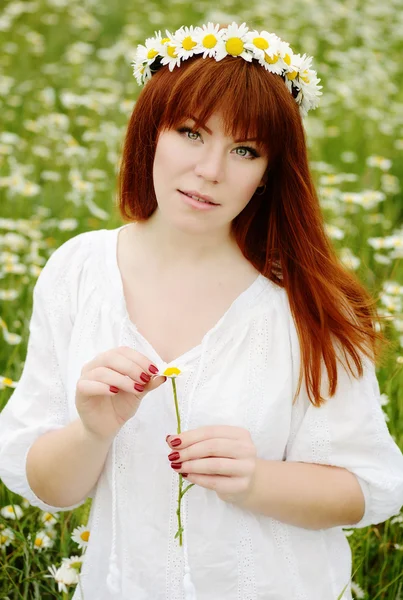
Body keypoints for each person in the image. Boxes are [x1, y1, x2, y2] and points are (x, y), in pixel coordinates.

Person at [0, 21, 403, 600]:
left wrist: (257, 481)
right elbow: (49, 487)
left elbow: (370, 487)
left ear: (269, 173)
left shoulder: (310, 303)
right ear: (150, 134)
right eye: (191, 133)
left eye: (244, 150)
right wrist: (91, 430)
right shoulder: (79, 269)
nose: (210, 170)